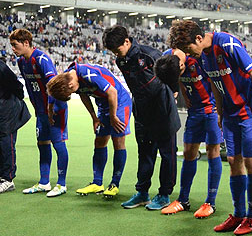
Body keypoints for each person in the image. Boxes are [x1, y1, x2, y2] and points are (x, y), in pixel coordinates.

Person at [171, 20, 252, 236]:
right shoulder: (202, 56)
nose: (188, 54)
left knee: (250, 162)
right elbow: (215, 83)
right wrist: (220, 112)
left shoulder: (227, 44)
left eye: (188, 48)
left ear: (198, 38)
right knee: (233, 161)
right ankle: (238, 214)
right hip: (230, 113)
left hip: (249, 110)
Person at [103, 25, 180, 211]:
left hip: (162, 110)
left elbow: (172, 71)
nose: (116, 54)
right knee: (145, 153)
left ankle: (164, 194)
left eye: (117, 49)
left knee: (168, 154)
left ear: (127, 41)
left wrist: (174, 92)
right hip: (142, 112)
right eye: (113, 52)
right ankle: (142, 192)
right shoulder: (121, 61)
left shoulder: (150, 55)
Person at [154, 46, 223, 218]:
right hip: (194, 111)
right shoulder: (167, 59)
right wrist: (182, 92)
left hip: (211, 110)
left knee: (212, 152)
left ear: (182, 65)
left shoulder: (200, 57)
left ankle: (210, 202)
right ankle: (183, 200)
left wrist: (220, 107)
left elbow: (217, 79)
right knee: (188, 152)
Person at [46, 62, 132, 198]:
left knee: (118, 142)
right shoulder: (68, 78)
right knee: (99, 142)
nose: (72, 93)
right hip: (103, 104)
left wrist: (113, 116)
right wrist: (94, 117)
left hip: (119, 102)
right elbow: (83, 95)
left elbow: (112, 92)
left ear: (70, 85)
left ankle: (114, 184)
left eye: (70, 92)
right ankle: (97, 183)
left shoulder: (87, 74)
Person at [9, 28, 69, 197]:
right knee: (42, 143)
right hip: (42, 110)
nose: (12, 49)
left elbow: (53, 85)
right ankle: (44, 182)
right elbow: (30, 86)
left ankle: (61, 184)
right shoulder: (22, 62)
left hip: (55, 108)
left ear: (26, 43)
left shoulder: (42, 59)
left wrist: (50, 109)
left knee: (58, 143)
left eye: (15, 45)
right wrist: (37, 107)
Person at [0, 58, 31, 193]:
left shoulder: (1, 67)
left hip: (7, 108)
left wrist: (12, 100)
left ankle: (8, 179)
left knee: (6, 142)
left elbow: (17, 85)